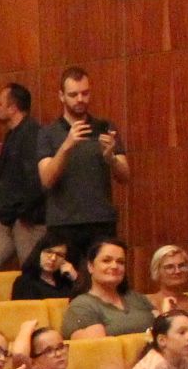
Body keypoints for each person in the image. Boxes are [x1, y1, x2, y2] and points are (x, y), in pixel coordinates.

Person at [34, 67, 127, 257]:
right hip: (63, 224)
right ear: (61, 96)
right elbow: (46, 180)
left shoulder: (105, 127)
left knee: (106, 271)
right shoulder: (48, 133)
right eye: (73, 94)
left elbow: (125, 176)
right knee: (66, 274)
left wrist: (111, 158)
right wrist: (67, 145)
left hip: (101, 220)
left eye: (85, 93)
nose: (80, 99)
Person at [61, 238, 157, 337]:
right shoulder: (81, 306)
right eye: (106, 261)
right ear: (90, 266)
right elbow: (95, 345)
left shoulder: (136, 298)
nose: (115, 266)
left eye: (120, 262)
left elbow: (162, 328)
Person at [144, 244, 188, 329]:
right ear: (157, 271)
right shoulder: (147, 304)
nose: (177, 271)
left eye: (181, 266)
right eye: (169, 267)